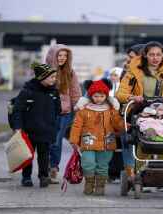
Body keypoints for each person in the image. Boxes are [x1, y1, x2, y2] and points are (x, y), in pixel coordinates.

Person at [116, 41, 163, 191]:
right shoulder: (134, 71)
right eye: (151, 55)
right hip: (143, 112)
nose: (155, 58)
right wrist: (132, 97)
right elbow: (120, 94)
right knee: (144, 143)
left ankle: (162, 175)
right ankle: (141, 174)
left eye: (158, 54)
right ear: (145, 55)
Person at [69, 79, 125, 196]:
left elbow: (117, 123)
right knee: (87, 163)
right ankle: (89, 183)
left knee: (103, 165)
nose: (98, 98)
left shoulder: (111, 110)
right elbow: (76, 125)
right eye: (95, 96)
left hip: (106, 142)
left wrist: (123, 125)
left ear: (106, 96)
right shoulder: (84, 110)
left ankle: (100, 186)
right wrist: (74, 140)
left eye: (101, 96)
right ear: (91, 95)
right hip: (88, 142)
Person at [11, 62, 61, 188]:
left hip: (46, 130)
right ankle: (26, 177)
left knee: (44, 155)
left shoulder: (54, 92)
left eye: (55, 77)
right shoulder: (27, 92)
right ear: (42, 77)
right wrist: (18, 128)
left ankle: (43, 176)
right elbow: (17, 110)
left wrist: (54, 126)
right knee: (28, 155)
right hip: (29, 131)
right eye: (52, 77)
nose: (54, 80)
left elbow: (57, 110)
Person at [45, 44, 82, 184]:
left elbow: (75, 92)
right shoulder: (44, 71)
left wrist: (78, 109)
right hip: (46, 112)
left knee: (56, 140)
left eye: (65, 56)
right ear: (53, 56)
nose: (62, 58)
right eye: (59, 55)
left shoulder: (70, 72)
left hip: (64, 113)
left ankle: (53, 167)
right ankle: (45, 168)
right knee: (46, 141)